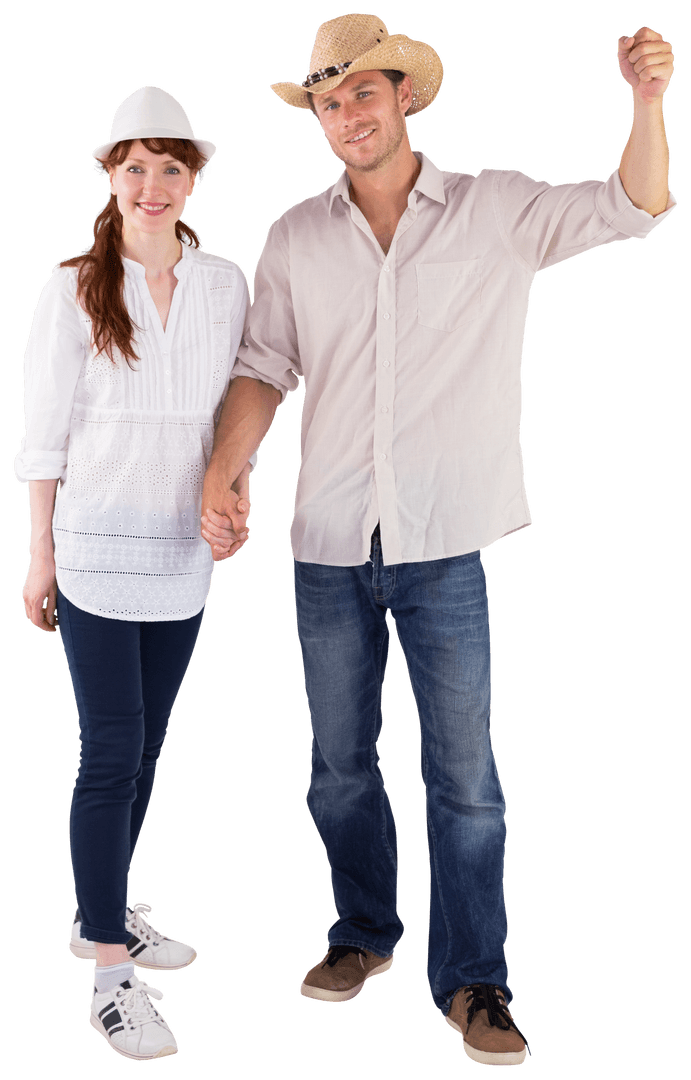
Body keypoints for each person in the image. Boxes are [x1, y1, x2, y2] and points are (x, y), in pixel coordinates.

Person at [199, 13, 676, 1068]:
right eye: (327, 101)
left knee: (464, 777)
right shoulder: (294, 236)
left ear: (403, 95)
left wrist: (646, 105)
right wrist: (223, 466)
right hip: (324, 541)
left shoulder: (495, 207)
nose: (345, 114)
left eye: (362, 93)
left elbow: (634, 204)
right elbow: (264, 367)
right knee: (336, 768)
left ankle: (474, 983)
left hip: (444, 545)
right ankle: (362, 933)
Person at [15, 85, 257, 1061]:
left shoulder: (224, 283)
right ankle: (109, 973)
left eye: (169, 167)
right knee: (110, 752)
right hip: (95, 551)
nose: (151, 185)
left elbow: (230, 417)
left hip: (180, 554)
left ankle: (100, 908)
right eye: (133, 167)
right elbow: (44, 435)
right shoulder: (72, 287)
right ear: (109, 178)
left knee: (149, 749)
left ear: (193, 177)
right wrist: (40, 553)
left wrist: (229, 501)